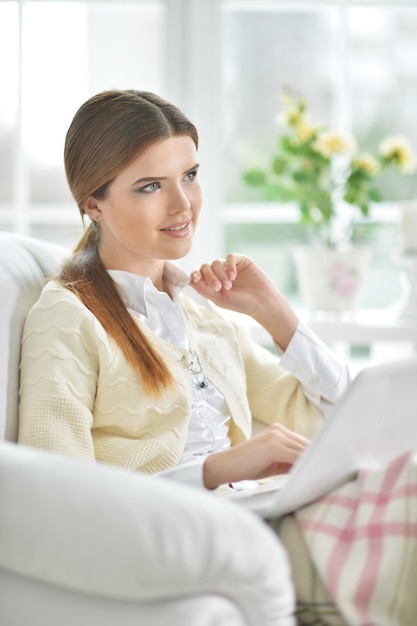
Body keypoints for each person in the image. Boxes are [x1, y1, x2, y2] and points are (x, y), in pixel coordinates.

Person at [18, 90, 353, 622]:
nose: (182, 205)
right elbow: (60, 500)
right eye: (151, 186)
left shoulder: (201, 312)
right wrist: (214, 470)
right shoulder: (68, 317)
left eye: (190, 176)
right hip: (172, 532)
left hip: (248, 513)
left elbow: (339, 420)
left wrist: (275, 314)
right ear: (93, 203)